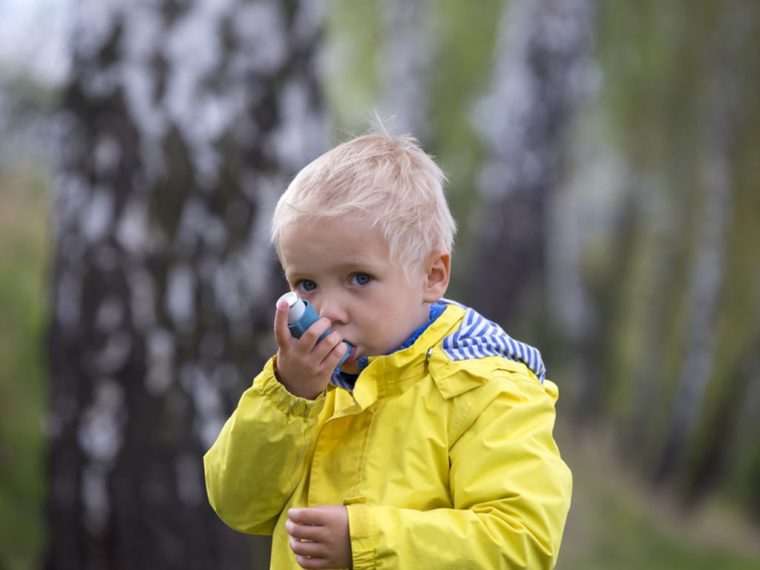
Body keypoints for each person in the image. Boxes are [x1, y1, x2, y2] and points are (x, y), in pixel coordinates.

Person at [204, 127, 572, 569]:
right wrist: (288, 397)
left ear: (432, 275)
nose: (328, 311)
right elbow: (236, 504)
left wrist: (365, 544)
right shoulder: (303, 388)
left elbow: (520, 544)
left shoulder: (486, 388)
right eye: (307, 285)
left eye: (359, 278)